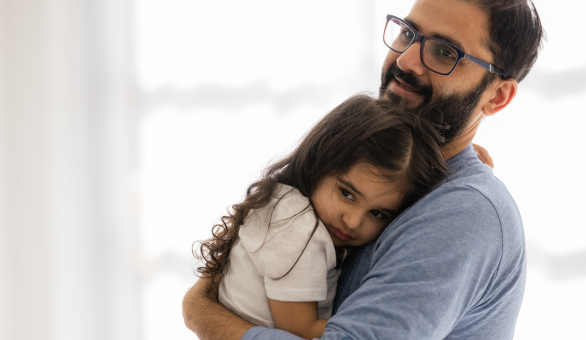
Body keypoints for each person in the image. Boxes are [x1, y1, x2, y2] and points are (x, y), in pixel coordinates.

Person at [183, 0, 545, 339]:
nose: (406, 61)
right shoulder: (389, 173)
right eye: (408, 34)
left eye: (444, 52)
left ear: (496, 97)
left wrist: (200, 311)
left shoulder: (463, 213)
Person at [193, 95, 448, 339]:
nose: (353, 221)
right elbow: (299, 329)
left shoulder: (286, 202)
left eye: (377, 213)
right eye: (347, 194)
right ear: (320, 161)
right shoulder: (296, 225)